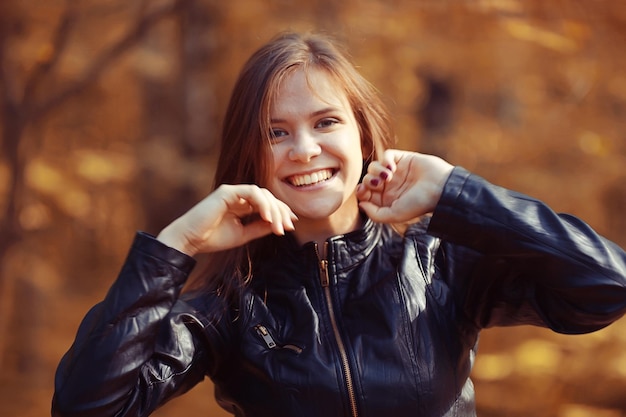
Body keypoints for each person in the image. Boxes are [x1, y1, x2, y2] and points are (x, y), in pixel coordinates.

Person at [52, 31, 626, 417]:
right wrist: (175, 245)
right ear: (248, 156)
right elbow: (86, 407)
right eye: (275, 132)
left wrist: (458, 191)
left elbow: (607, 284)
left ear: (362, 137)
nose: (303, 150)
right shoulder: (229, 304)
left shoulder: (435, 261)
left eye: (325, 122)